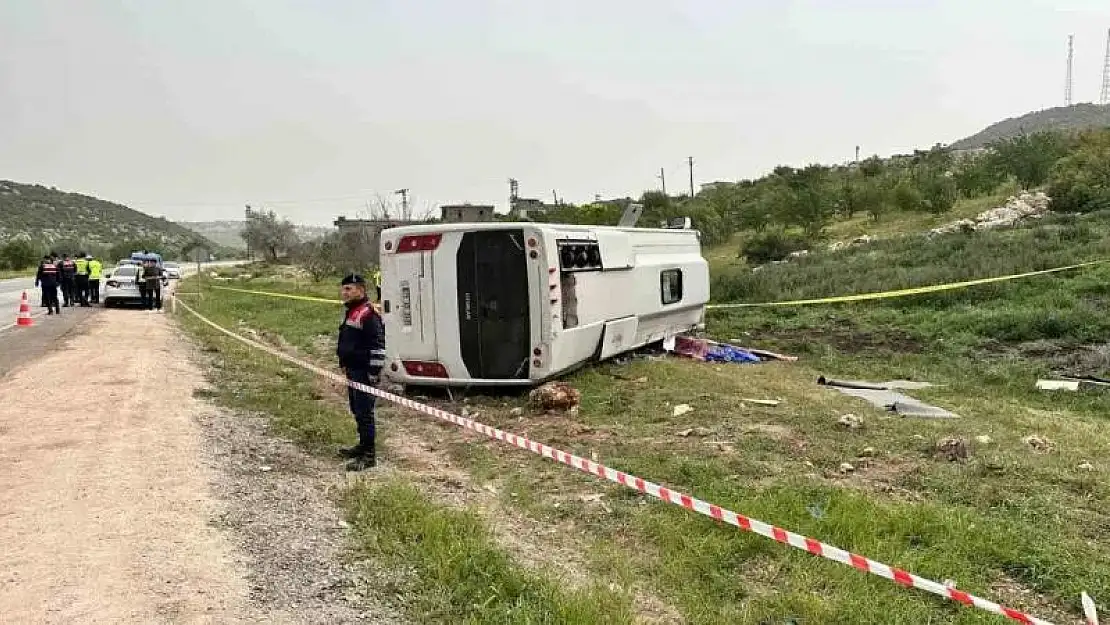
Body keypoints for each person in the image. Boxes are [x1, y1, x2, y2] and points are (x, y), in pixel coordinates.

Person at [336, 273, 386, 471]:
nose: (344, 292)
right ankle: (362, 445)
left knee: (365, 413)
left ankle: (369, 455)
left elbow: (378, 346)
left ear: (361, 290)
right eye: (343, 288)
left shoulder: (368, 314)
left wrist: (373, 372)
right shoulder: (353, 311)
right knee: (356, 409)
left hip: (364, 371)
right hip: (352, 370)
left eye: (349, 289)